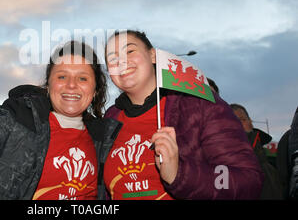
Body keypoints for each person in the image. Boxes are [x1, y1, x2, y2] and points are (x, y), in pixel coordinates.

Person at [0, 33, 110, 200]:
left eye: (83, 78)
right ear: (48, 85)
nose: (71, 85)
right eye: (62, 76)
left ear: (95, 90)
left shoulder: (105, 139)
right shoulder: (19, 118)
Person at [103, 30, 263, 199]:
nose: (122, 61)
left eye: (130, 51)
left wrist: (179, 175)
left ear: (153, 55)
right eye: (112, 59)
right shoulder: (110, 119)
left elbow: (248, 181)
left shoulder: (199, 104)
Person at [231, 103, 283, 199]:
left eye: (242, 119)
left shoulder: (274, 157)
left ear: (250, 121)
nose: (239, 124)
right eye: (232, 121)